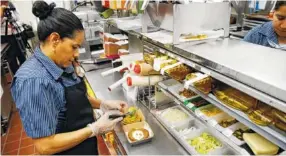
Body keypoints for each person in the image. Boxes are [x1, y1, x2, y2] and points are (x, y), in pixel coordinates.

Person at [11, 1, 128, 155]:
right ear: (55, 40)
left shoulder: (61, 62)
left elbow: (70, 99)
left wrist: (102, 104)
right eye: (74, 47)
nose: (77, 54)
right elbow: (44, 146)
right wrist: (94, 129)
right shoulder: (34, 81)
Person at [1, 0, 27, 74]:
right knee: (12, 60)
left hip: (18, 33)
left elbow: (19, 18)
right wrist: (2, 15)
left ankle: (27, 75)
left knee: (22, 56)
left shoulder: (12, 4)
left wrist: (13, 24)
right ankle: (18, 78)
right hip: (7, 37)